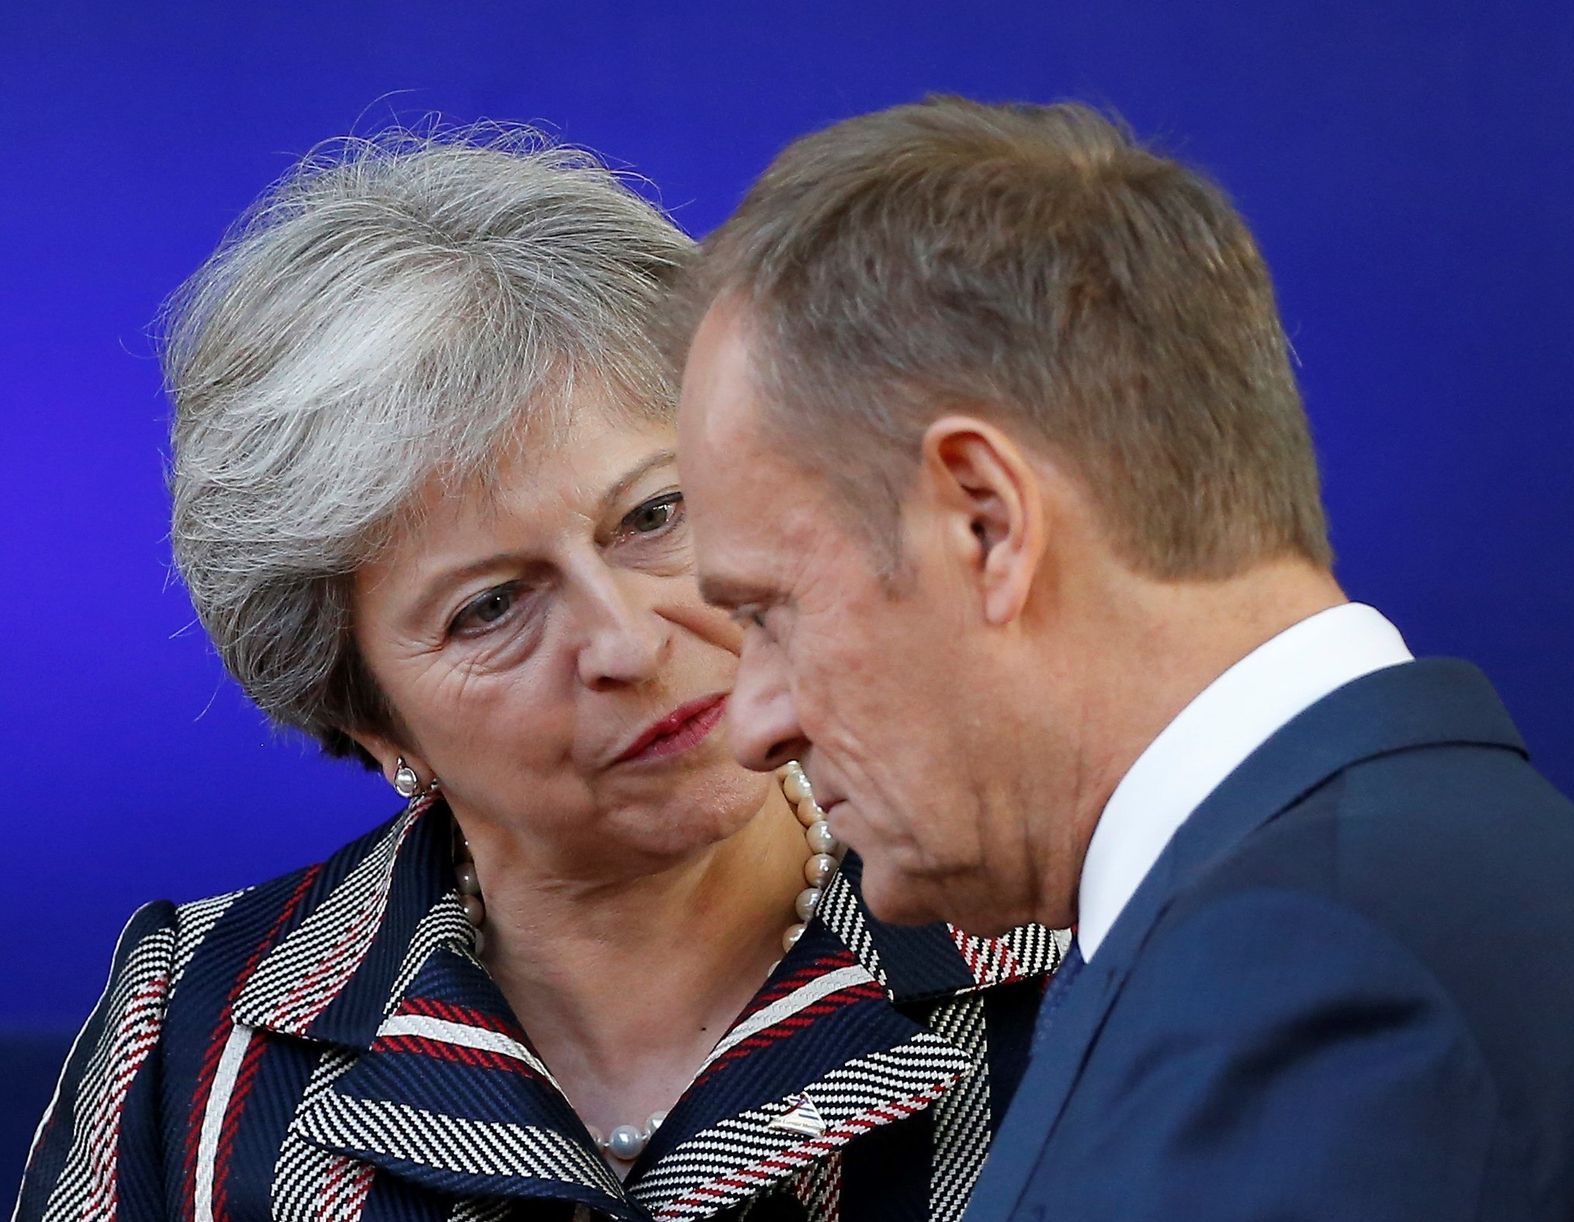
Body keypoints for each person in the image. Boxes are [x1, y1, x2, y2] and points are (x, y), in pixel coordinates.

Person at [15, 127, 1062, 1222]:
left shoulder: (1049, 935)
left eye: (654, 515)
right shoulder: (191, 1030)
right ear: (373, 721)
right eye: (491, 607)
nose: (625, 643)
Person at [673, 96, 1574, 1220]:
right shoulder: (1385, 890)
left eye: (769, 611)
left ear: (986, 523)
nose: (751, 721)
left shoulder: (1305, 981)